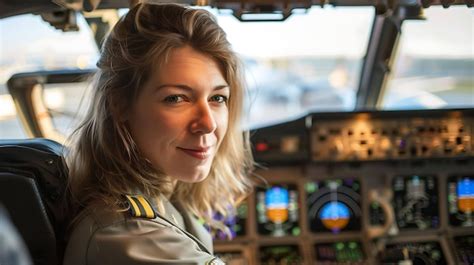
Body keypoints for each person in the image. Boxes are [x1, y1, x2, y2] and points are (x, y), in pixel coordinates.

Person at [63, 2, 253, 264]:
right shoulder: (128, 236)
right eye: (176, 98)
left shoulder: (163, 200)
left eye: (218, 98)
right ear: (120, 105)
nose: (208, 123)